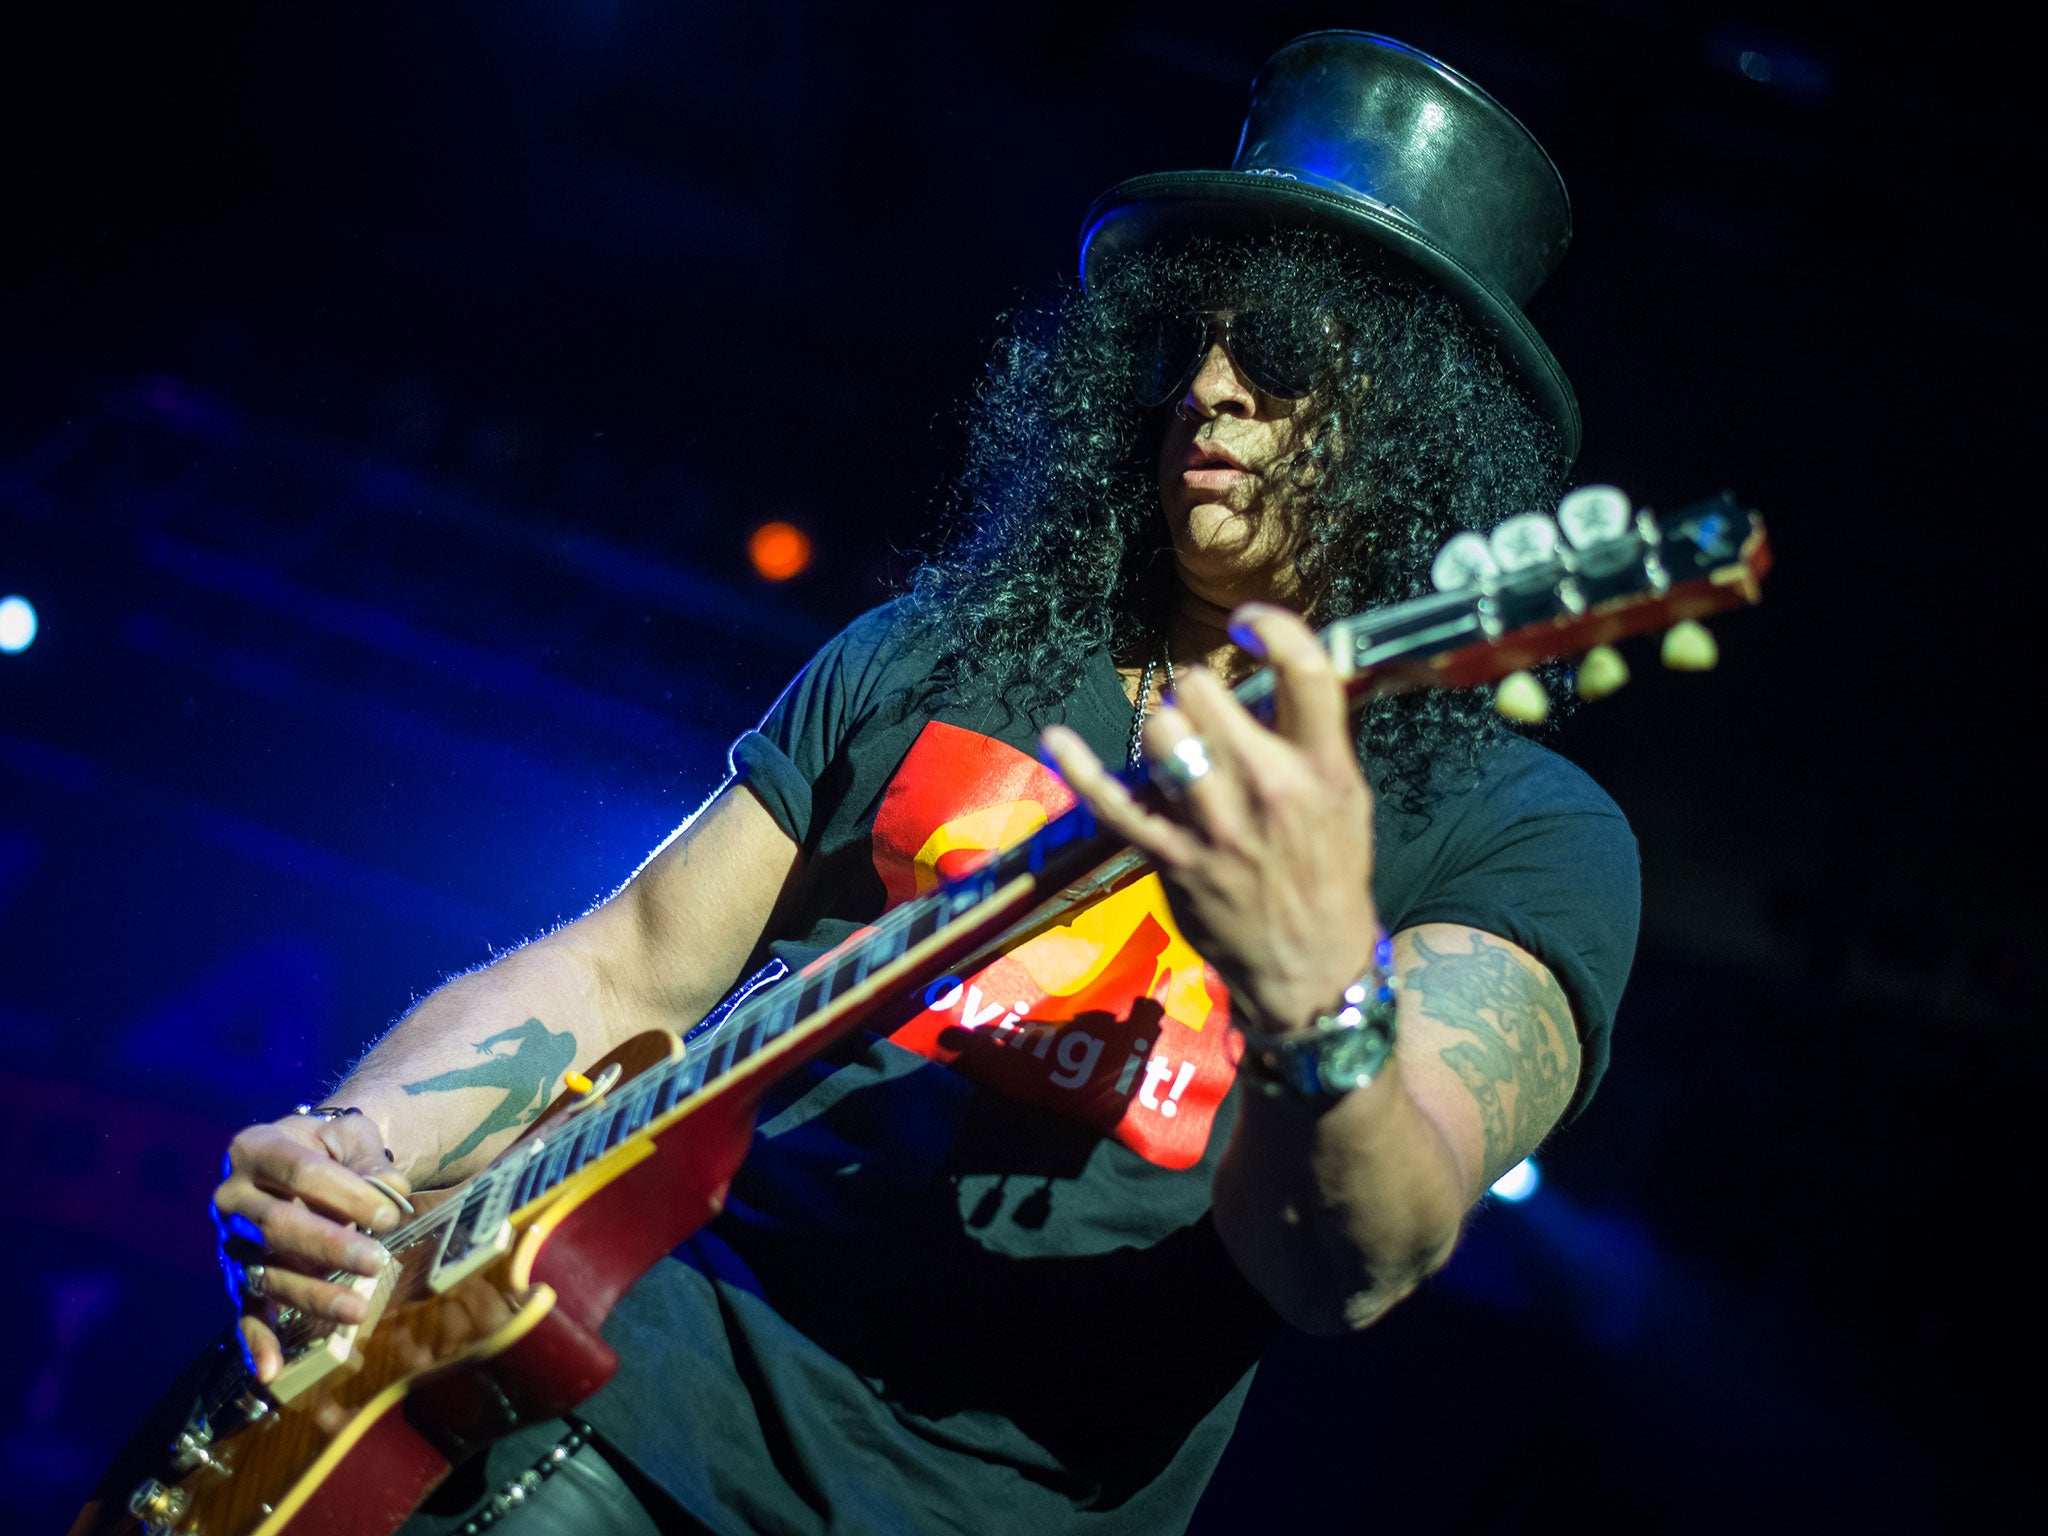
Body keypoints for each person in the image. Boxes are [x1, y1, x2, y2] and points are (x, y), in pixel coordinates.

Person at [203, 32, 1638, 1536]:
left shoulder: (1522, 836)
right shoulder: (940, 653)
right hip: (615, 1403)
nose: (1207, 391)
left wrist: (1312, 983)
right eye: (1184, 345)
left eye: (1273, 349)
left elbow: (1355, 1259)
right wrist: (361, 1156)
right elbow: (631, 963)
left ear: (1415, 416)